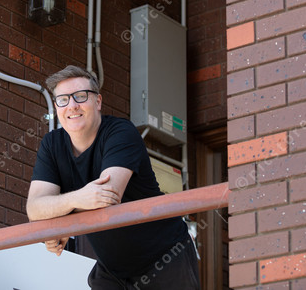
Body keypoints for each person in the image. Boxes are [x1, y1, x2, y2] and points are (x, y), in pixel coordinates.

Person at [26, 65, 200, 289]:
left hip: (163, 256)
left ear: (97, 101)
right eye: (63, 99)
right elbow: (35, 209)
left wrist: (60, 221)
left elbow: (106, 199)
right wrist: (74, 203)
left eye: (80, 96)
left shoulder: (120, 132)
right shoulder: (51, 145)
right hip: (114, 268)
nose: (72, 105)